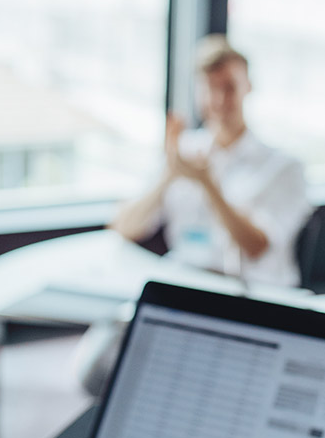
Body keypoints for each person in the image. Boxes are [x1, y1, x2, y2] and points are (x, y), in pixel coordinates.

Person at [110, 35, 311, 288]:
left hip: (256, 293)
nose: (218, 100)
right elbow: (125, 227)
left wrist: (208, 184)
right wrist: (168, 175)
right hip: (185, 284)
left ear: (248, 86)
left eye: (229, 88)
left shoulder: (284, 167)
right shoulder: (184, 152)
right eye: (210, 88)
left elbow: (256, 247)